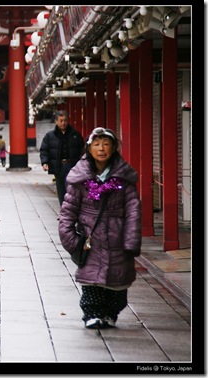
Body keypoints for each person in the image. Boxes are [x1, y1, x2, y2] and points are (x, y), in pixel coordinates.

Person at [58, 127, 142, 329]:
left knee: (118, 286)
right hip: (91, 239)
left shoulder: (124, 178)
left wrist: (131, 241)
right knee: (92, 283)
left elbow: (133, 211)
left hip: (118, 239)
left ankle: (111, 313)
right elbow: (67, 212)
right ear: (89, 148)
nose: (101, 148)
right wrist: (72, 240)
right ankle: (92, 314)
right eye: (96, 144)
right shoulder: (80, 180)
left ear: (114, 148)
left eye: (106, 144)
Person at [40, 110, 85, 206]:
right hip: (58, 166)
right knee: (61, 190)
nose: (63, 123)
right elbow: (44, 150)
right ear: (56, 121)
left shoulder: (75, 135)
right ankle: (63, 210)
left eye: (65, 120)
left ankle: (70, 210)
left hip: (72, 165)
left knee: (70, 188)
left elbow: (82, 149)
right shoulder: (50, 136)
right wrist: (45, 162)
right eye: (61, 120)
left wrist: (81, 163)